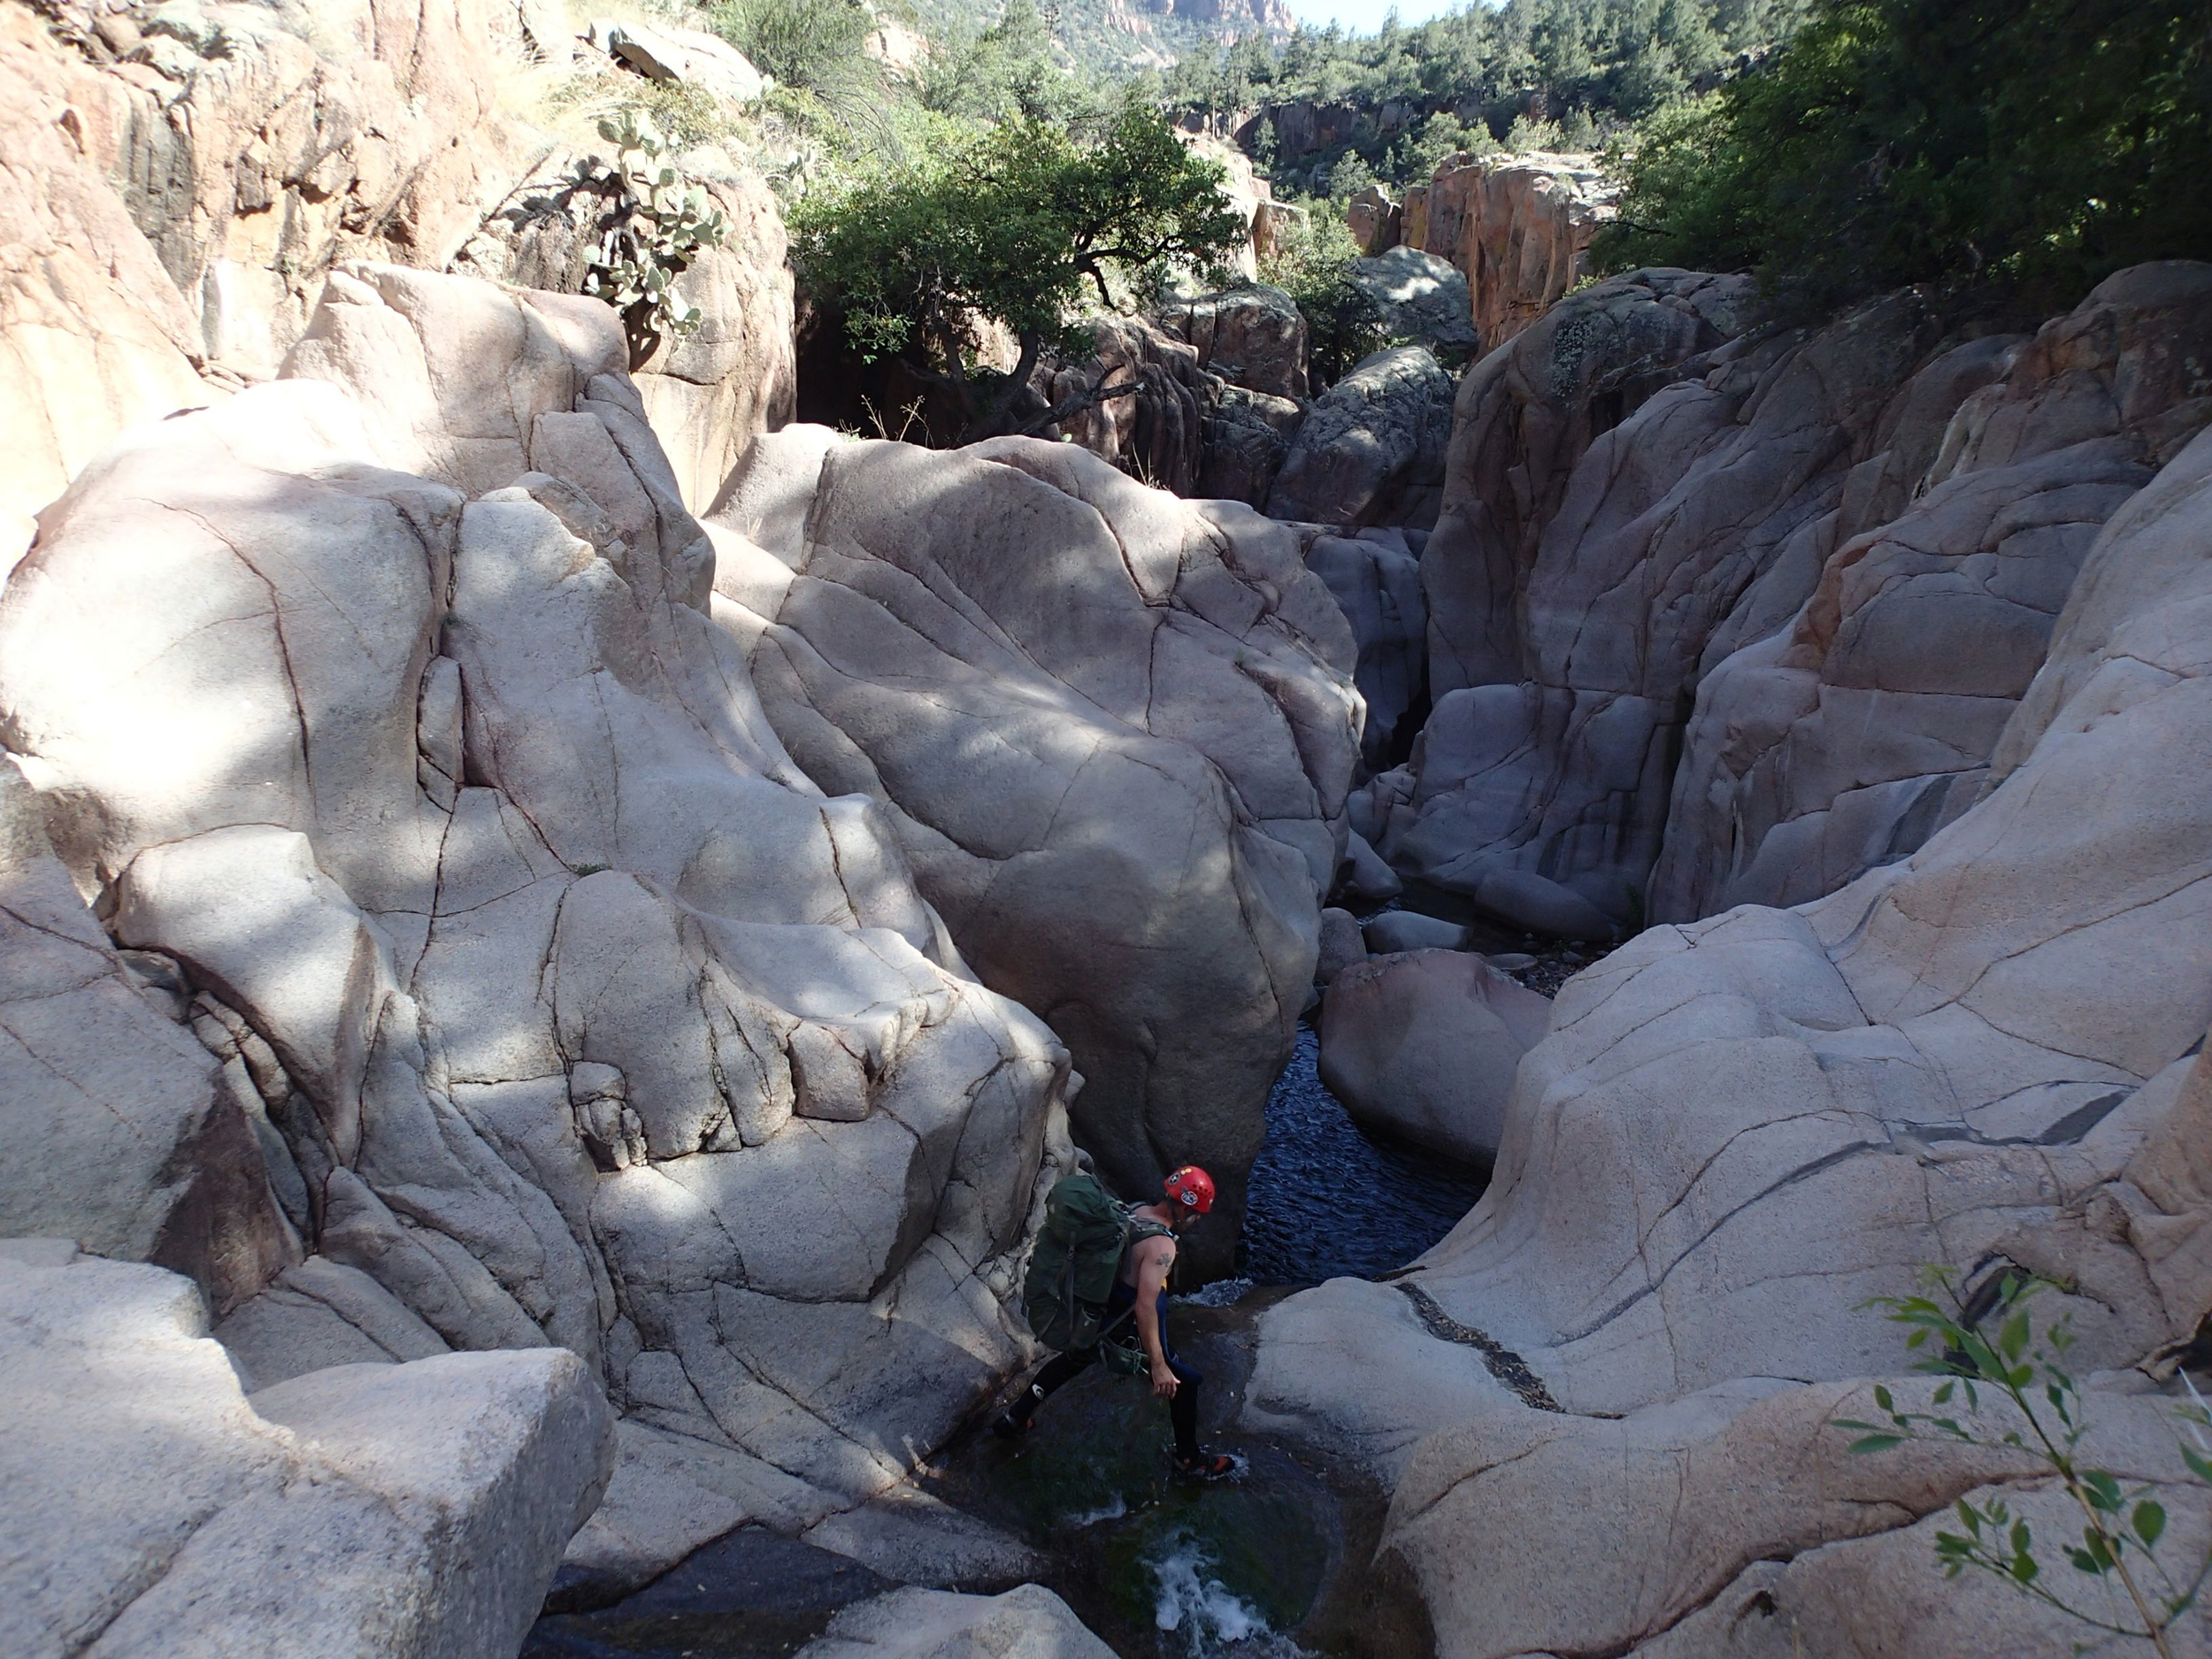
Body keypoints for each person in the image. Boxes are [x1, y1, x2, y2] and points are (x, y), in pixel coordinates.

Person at [994, 1164, 1238, 1479]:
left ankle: (1015, 1418)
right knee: (1187, 1381)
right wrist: (1158, 1364)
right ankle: (1189, 1460)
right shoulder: (1163, 1246)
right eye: (1196, 1213)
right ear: (1184, 1208)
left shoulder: (1134, 1209)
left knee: (1073, 1359)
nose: (1197, 1220)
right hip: (1123, 1329)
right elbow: (1145, 1306)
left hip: (1097, 1313)